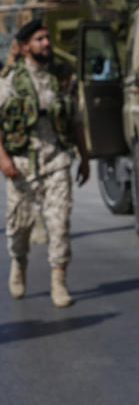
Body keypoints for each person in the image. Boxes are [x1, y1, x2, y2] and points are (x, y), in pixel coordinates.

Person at [0, 19, 90, 306]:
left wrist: (85, 157)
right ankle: (18, 263)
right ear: (26, 47)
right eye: (39, 39)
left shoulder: (63, 77)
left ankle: (58, 282)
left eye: (47, 38)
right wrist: (3, 159)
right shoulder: (10, 80)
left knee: (59, 222)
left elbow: (76, 119)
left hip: (56, 159)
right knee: (18, 227)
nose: (46, 43)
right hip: (22, 162)